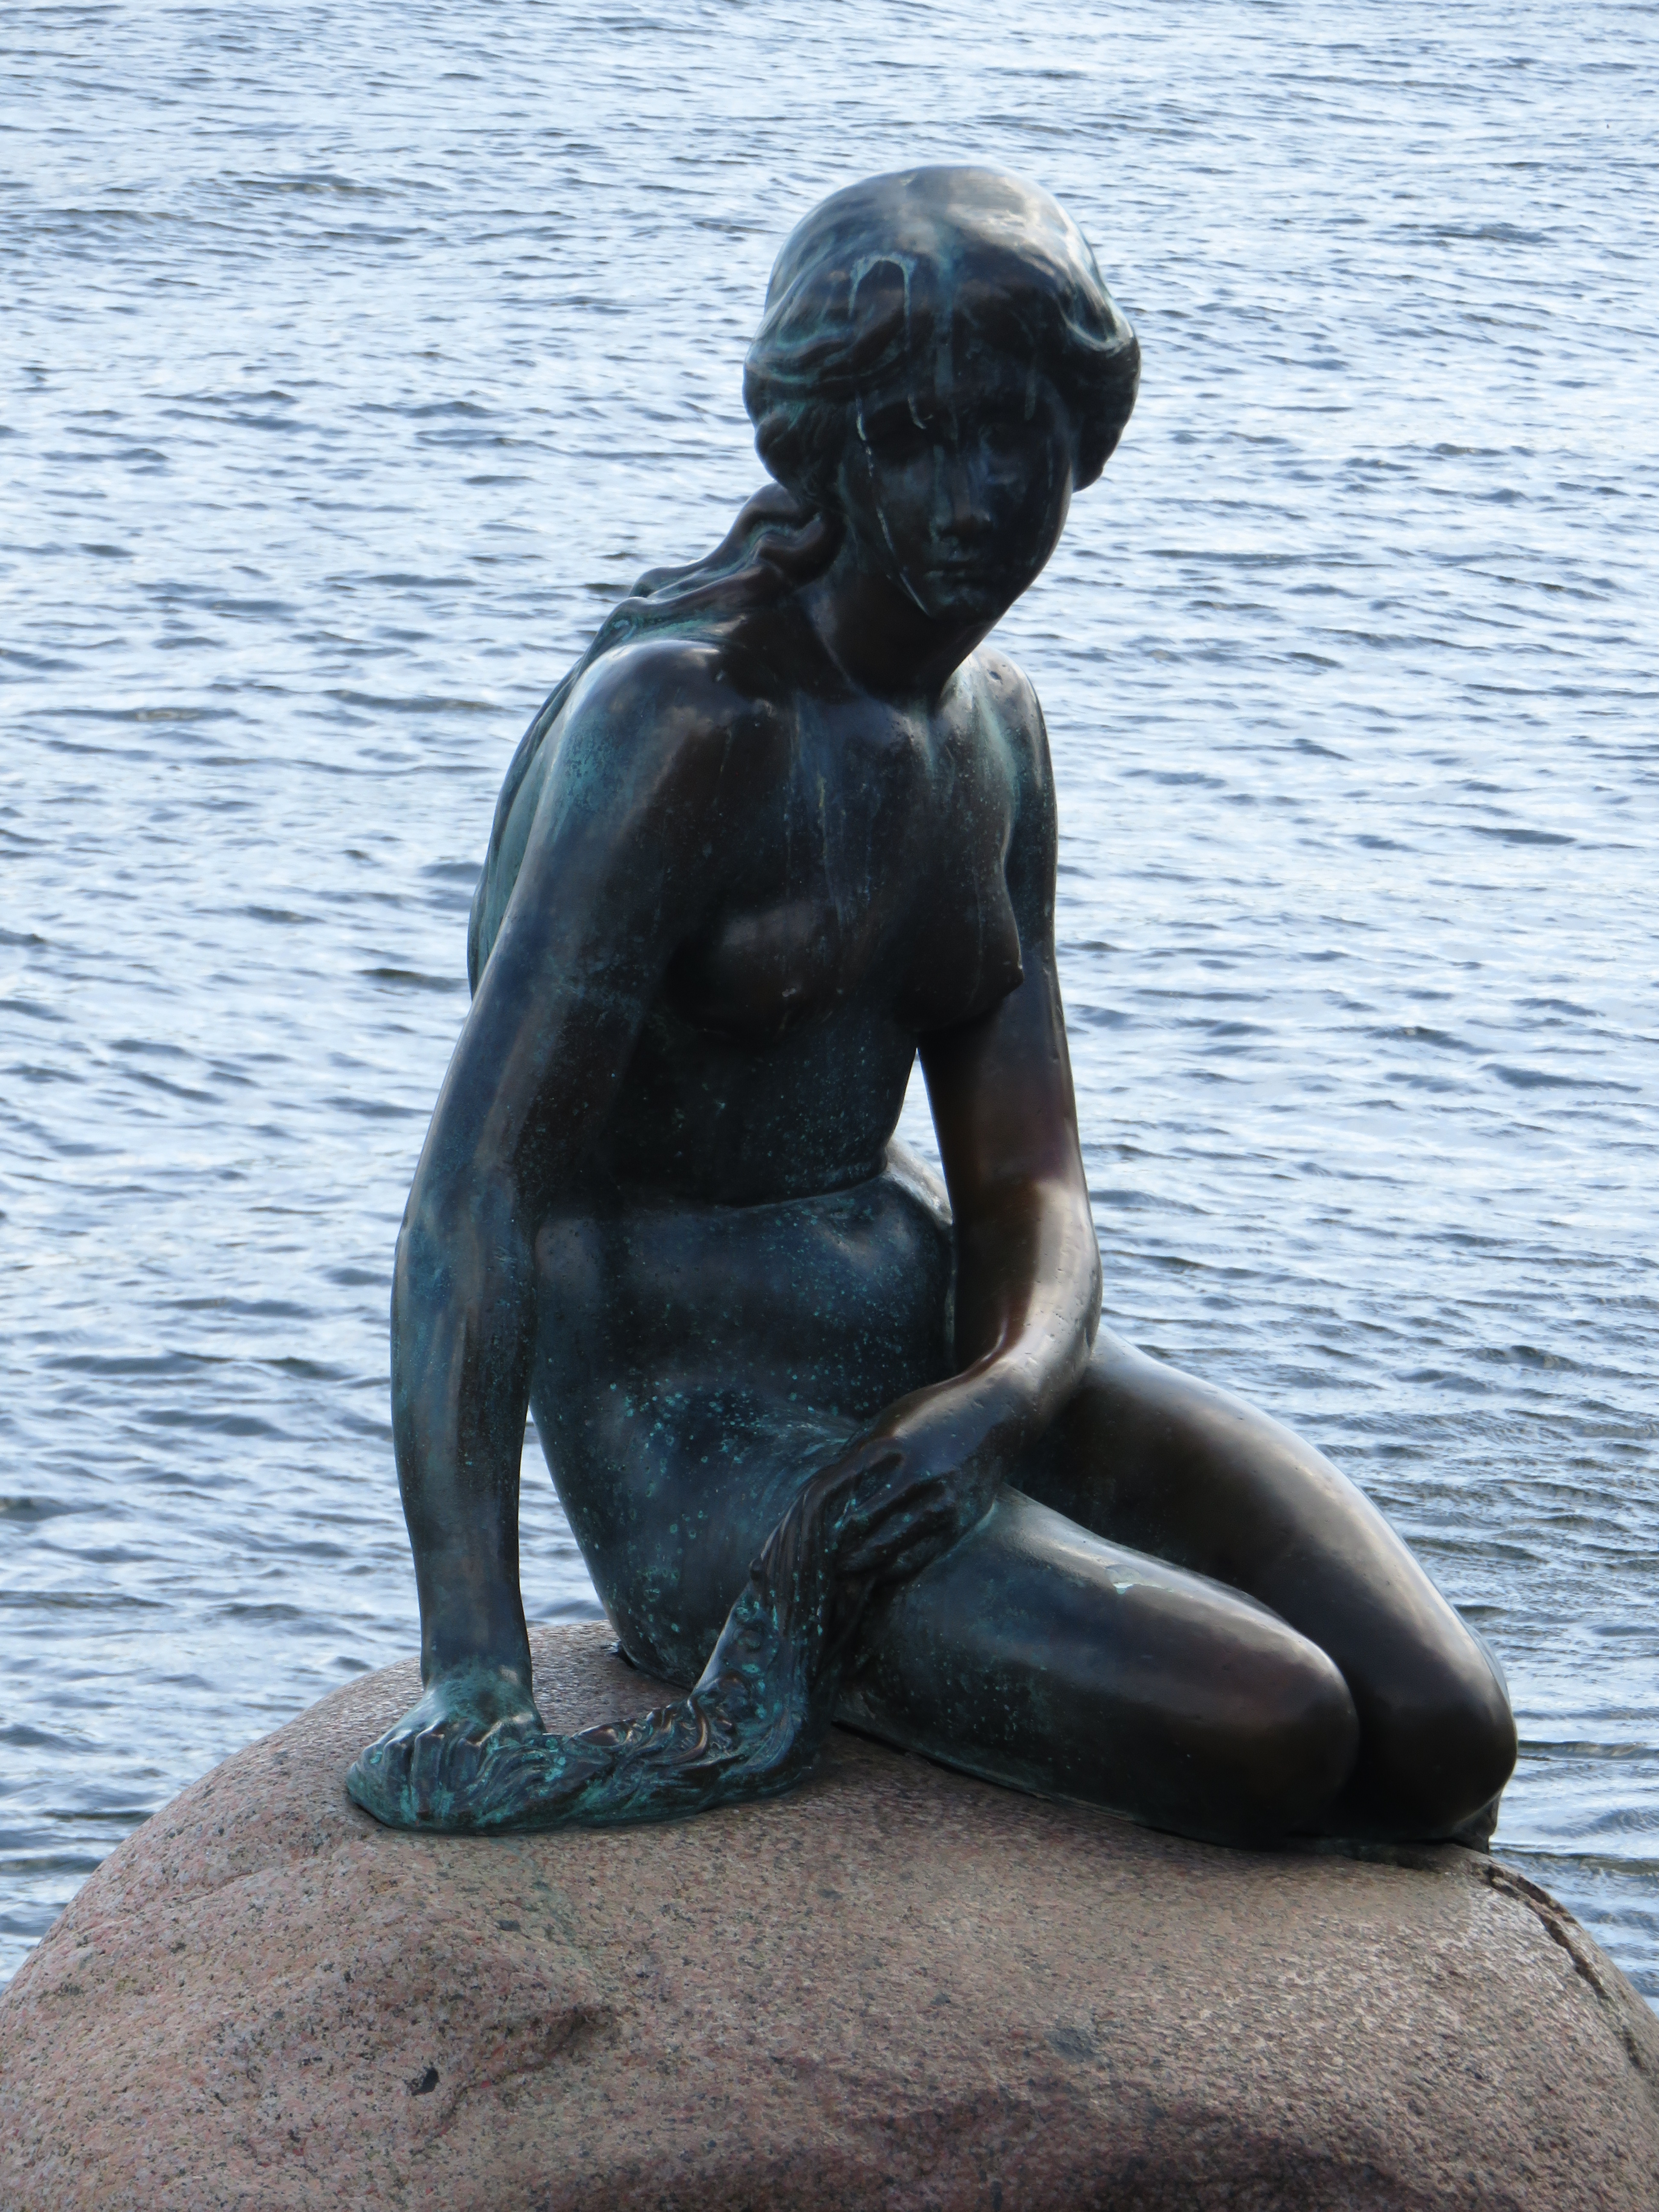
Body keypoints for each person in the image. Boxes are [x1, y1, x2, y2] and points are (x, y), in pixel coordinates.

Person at [347, 166, 1516, 1845]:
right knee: (1281, 1725)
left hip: (941, 1371)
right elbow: (470, 1204)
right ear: (828, 448)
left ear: (1080, 442)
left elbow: (1029, 1181)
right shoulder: (681, 726)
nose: (972, 499)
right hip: (711, 1450)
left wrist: (998, 1396)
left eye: (1015, 438)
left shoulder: (997, 735)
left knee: (1448, 1728)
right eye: (913, 440)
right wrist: (474, 1675)